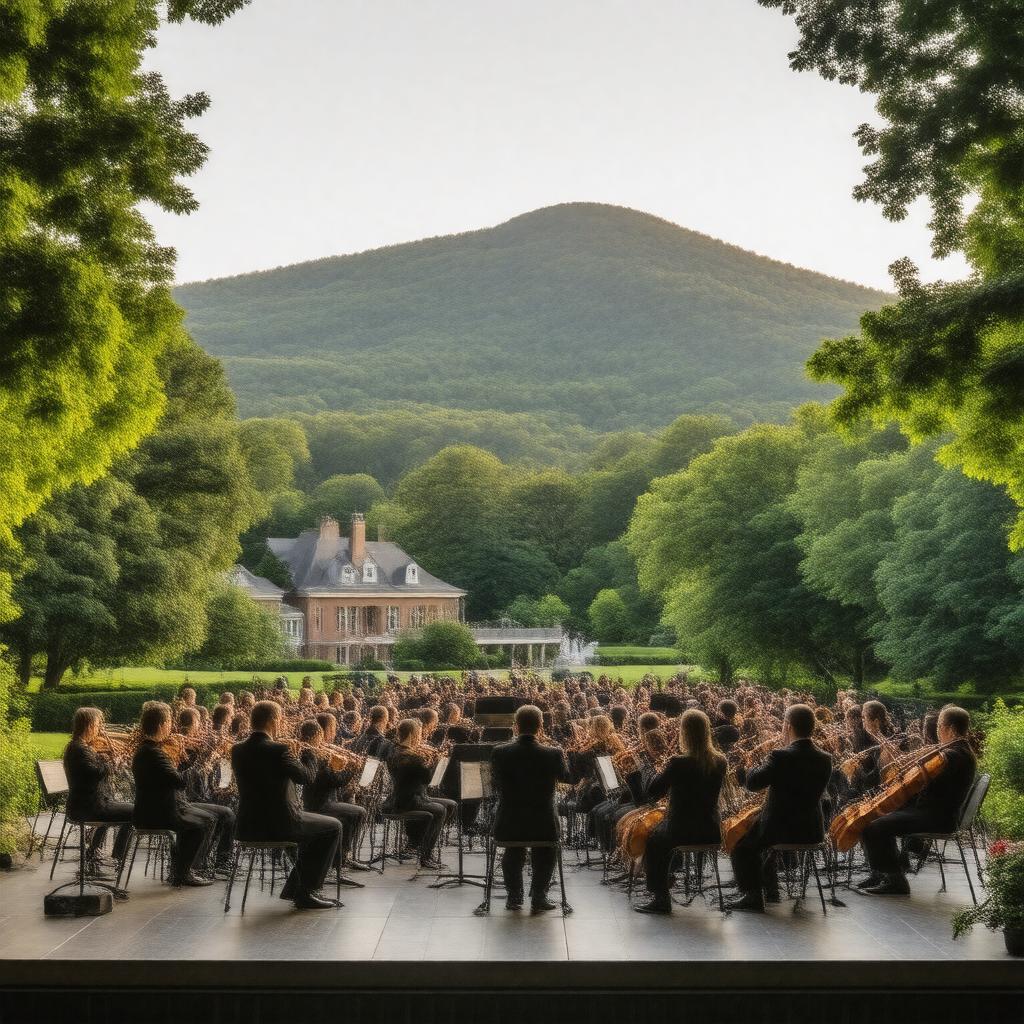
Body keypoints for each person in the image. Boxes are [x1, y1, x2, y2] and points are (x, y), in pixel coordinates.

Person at [231, 700, 342, 910]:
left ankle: (297, 888)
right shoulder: (279, 750)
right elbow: (306, 778)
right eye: (280, 719)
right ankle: (305, 891)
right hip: (281, 824)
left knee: (318, 829)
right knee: (333, 826)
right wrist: (311, 755)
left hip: (248, 827)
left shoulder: (237, 750)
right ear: (274, 720)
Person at [858, 705, 977, 896]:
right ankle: (884, 873)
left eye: (939, 726)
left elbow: (921, 781)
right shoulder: (959, 751)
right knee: (879, 817)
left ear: (951, 729)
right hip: (937, 812)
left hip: (936, 817)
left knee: (873, 826)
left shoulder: (951, 755)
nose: (937, 731)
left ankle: (895, 881)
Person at [726, 703, 832, 912]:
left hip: (781, 829)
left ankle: (753, 896)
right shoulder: (825, 758)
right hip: (812, 830)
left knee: (740, 845)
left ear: (787, 726)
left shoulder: (780, 756)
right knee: (755, 834)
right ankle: (769, 889)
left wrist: (748, 767)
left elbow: (754, 783)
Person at [131, 701, 235, 886]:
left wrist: (188, 760)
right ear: (162, 725)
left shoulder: (151, 750)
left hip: (170, 804)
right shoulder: (153, 753)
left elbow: (174, 778)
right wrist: (202, 764)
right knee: (207, 820)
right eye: (170, 721)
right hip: (160, 810)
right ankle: (186, 871)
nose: (172, 725)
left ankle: (196, 865)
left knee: (224, 814)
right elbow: (180, 782)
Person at [635, 709, 727, 914]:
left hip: (681, 830)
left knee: (654, 840)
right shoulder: (720, 760)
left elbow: (653, 792)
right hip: (711, 829)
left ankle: (661, 898)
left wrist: (651, 769)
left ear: (684, 733)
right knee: (660, 835)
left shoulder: (678, 762)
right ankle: (668, 881)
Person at [490, 704, 571, 913]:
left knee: (512, 850)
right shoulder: (553, 753)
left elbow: (493, 783)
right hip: (543, 824)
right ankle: (538, 895)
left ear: (515, 726)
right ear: (541, 726)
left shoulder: (499, 752)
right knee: (547, 851)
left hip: (509, 823)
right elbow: (566, 777)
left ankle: (514, 896)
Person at [63, 708, 133, 869]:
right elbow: (94, 773)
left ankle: (94, 851)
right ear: (88, 726)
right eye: (97, 725)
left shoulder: (79, 747)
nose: (99, 729)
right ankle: (117, 858)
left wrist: (108, 760)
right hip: (88, 807)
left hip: (89, 803)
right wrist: (113, 762)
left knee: (124, 808)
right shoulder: (79, 750)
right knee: (135, 812)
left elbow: (95, 770)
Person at [383, 718, 456, 870]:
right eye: (419, 734)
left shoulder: (395, 750)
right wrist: (434, 761)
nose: (421, 737)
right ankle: (426, 855)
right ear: (413, 734)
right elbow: (428, 779)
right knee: (440, 810)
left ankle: (420, 841)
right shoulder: (411, 757)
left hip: (406, 796)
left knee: (451, 805)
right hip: (409, 800)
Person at [297, 719, 367, 868]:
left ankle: (339, 856)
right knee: (358, 812)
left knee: (351, 814)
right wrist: (353, 768)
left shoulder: (311, 753)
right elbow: (336, 781)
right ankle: (340, 858)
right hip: (321, 804)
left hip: (322, 800)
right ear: (318, 734)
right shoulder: (315, 755)